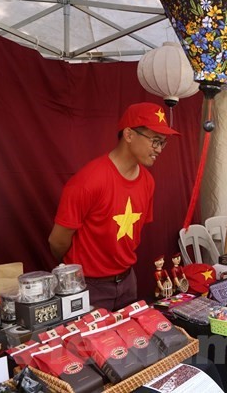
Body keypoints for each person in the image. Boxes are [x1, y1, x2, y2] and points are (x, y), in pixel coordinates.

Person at [48, 102, 179, 311]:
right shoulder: (89, 181)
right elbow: (57, 241)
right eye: (155, 141)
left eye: (163, 143)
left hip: (128, 280)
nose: (159, 149)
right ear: (128, 135)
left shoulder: (147, 181)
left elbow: (133, 233)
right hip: (88, 286)